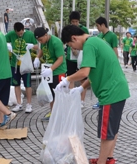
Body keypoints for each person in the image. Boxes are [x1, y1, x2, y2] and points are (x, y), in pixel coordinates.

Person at [56, 25, 130, 164]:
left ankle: (102, 162)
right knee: (112, 129)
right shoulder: (96, 41)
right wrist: (81, 88)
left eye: (71, 45)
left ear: (74, 38)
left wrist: (67, 79)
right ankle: (108, 158)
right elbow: (94, 73)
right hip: (119, 90)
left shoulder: (89, 45)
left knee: (106, 133)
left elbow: (84, 72)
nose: (74, 48)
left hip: (110, 93)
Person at [33, 27, 67, 121]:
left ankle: (61, 115)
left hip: (58, 71)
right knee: (50, 93)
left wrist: (51, 69)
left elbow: (60, 59)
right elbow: (42, 50)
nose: (40, 42)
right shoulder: (44, 42)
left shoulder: (56, 42)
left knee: (59, 94)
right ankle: (53, 113)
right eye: (38, 40)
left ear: (45, 35)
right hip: (49, 71)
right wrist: (37, 58)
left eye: (41, 39)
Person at [6, 22, 39, 113]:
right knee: (16, 84)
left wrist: (31, 46)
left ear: (23, 29)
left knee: (27, 84)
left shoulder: (30, 35)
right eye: (18, 33)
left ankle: (29, 104)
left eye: (21, 33)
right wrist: (8, 46)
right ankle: (19, 104)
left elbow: (37, 46)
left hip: (26, 64)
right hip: (15, 64)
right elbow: (3, 40)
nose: (20, 34)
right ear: (15, 31)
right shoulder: (11, 34)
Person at [92, 16, 118, 110]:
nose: (97, 28)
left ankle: (106, 100)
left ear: (103, 25)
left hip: (109, 63)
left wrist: (116, 63)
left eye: (98, 26)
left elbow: (115, 50)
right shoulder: (99, 36)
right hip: (100, 64)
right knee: (100, 82)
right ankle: (100, 100)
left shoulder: (112, 36)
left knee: (107, 82)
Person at [67, 11, 89, 107]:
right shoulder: (68, 29)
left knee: (83, 79)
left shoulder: (84, 30)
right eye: (73, 21)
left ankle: (82, 100)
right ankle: (71, 98)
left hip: (81, 57)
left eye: (76, 21)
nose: (75, 23)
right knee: (71, 78)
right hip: (70, 58)